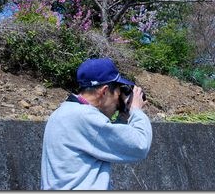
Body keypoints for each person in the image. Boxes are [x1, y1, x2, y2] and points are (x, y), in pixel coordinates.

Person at [40, 58, 153, 190]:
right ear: (104, 91)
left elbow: (105, 138)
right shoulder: (84, 117)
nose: (119, 98)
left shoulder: (65, 112)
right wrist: (136, 111)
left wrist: (123, 115)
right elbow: (139, 146)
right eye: (118, 91)